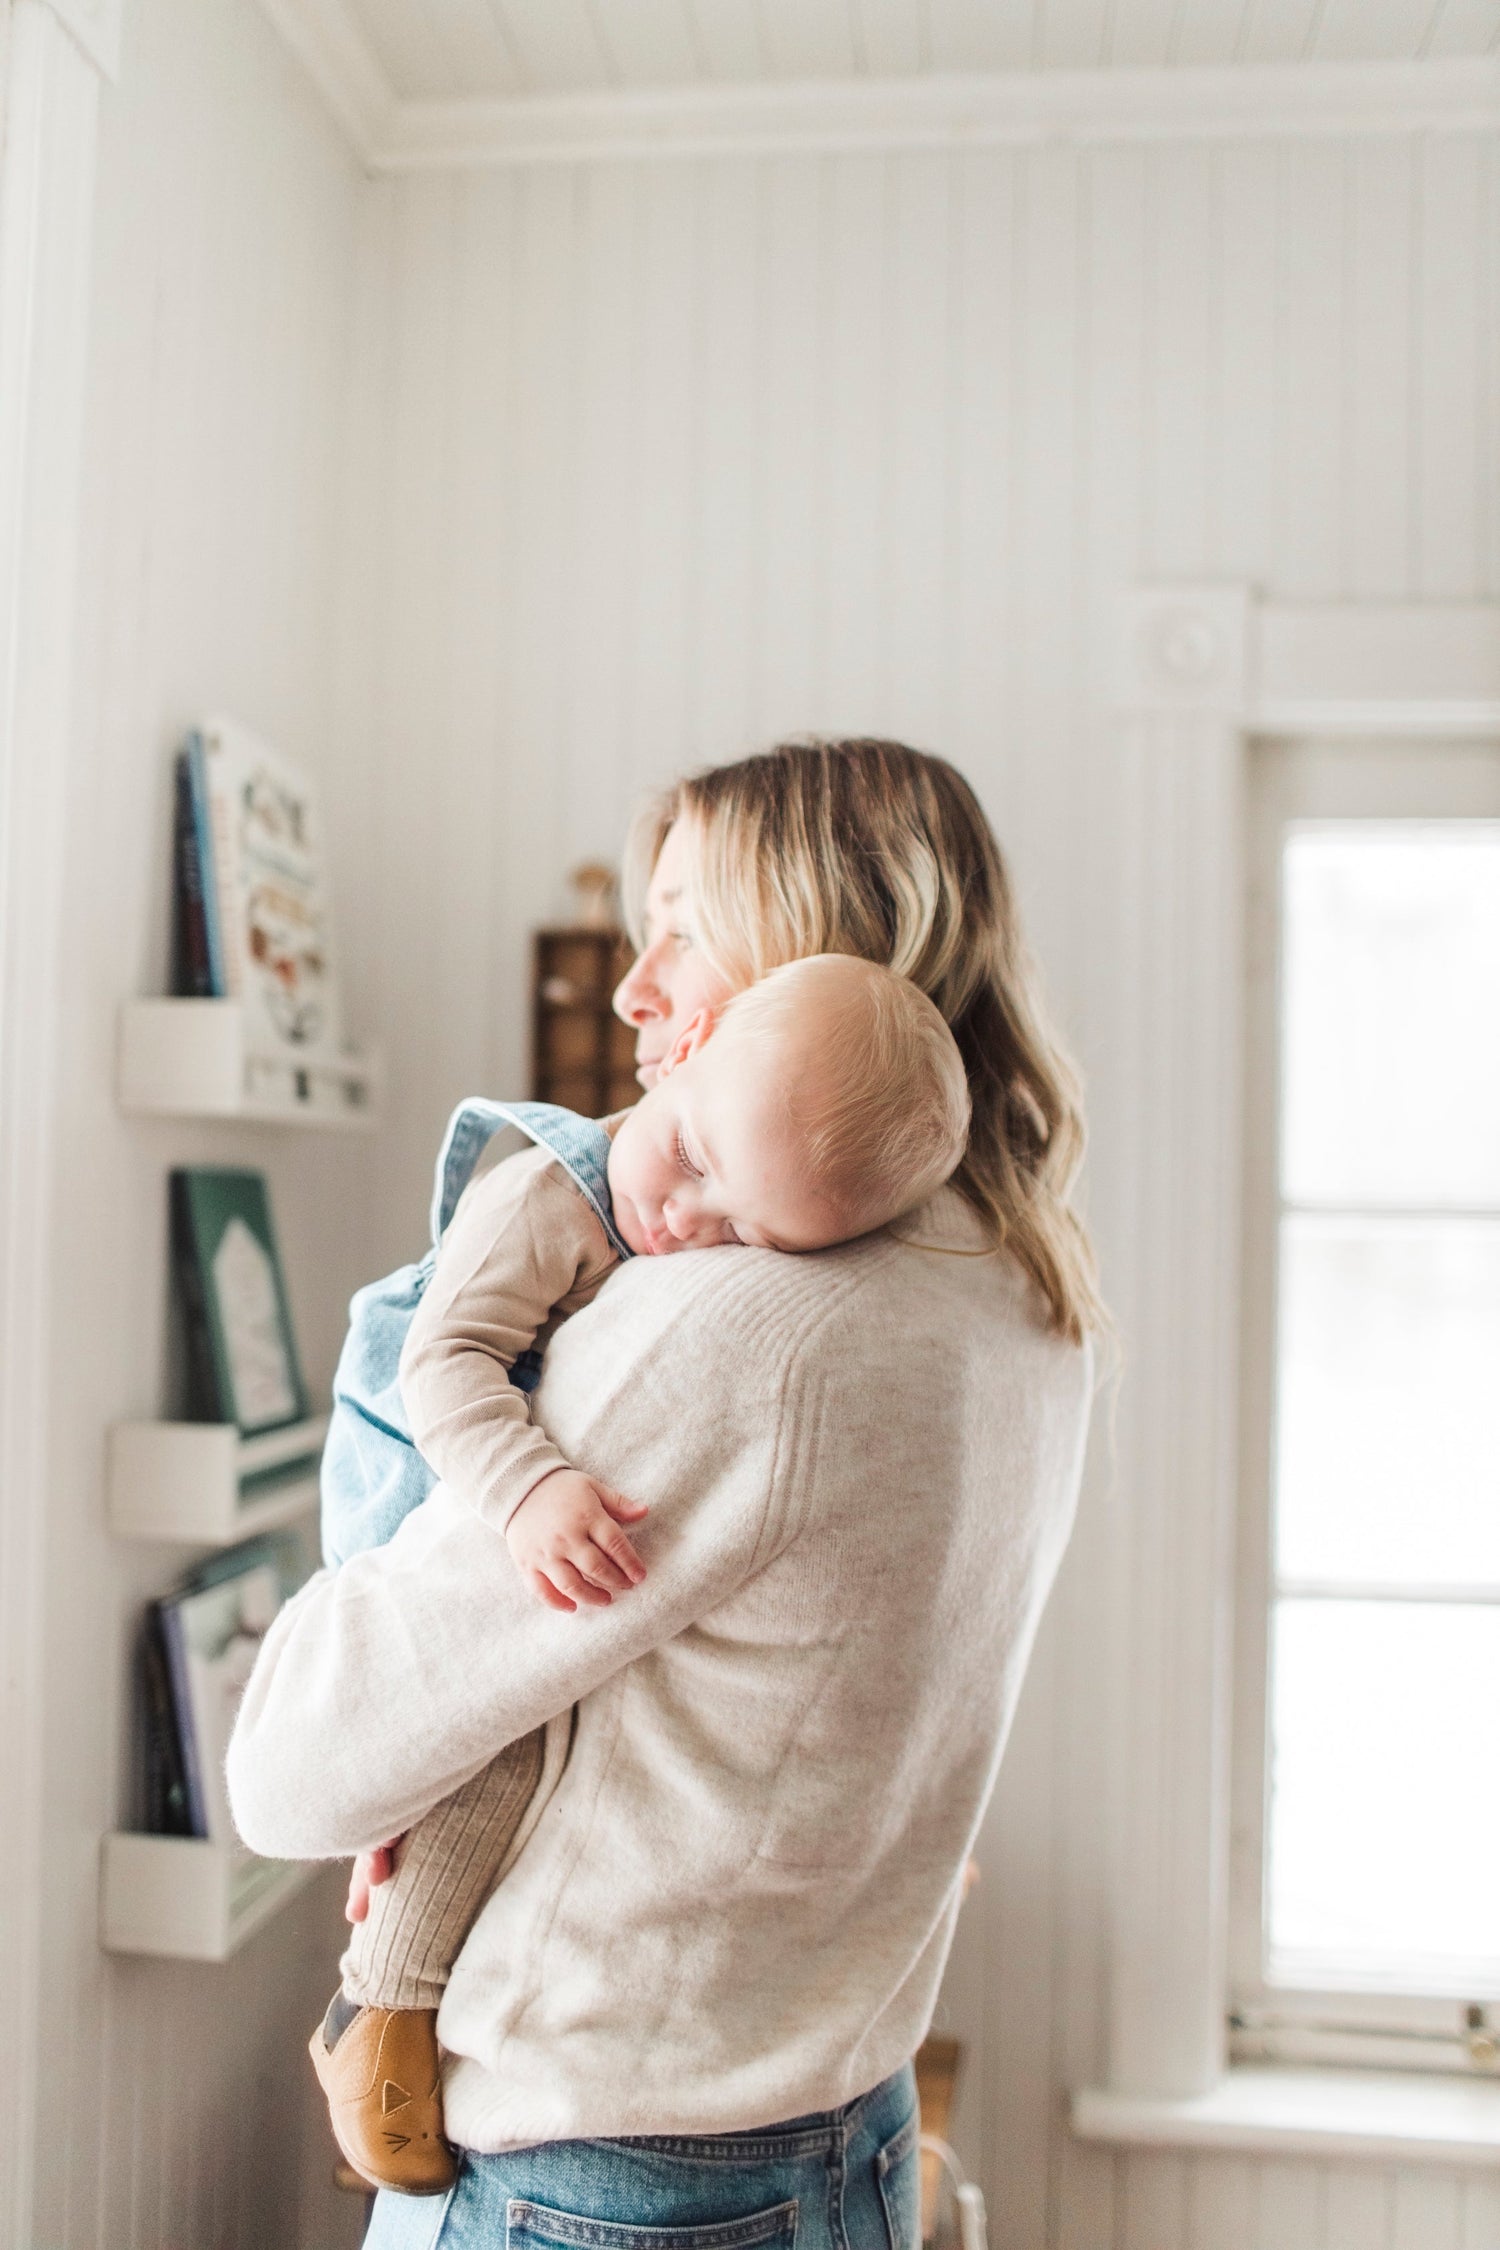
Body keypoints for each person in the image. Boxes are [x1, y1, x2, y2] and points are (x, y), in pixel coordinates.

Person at [227, 739, 1102, 2250]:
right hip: (840, 2128)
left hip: (605, 2173)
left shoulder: (744, 1329)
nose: (635, 989)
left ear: (822, 954)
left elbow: (293, 1771)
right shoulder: (1018, 1278)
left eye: (685, 924)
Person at [309, 953, 971, 2194]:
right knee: (468, 1748)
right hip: (423, 1468)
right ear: (687, 1045)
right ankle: (375, 2001)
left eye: (740, 1233)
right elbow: (443, 1365)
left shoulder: (719, 1192)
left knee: (513, 1746)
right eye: (691, 1161)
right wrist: (529, 1490)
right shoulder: (544, 1200)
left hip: (516, 1490)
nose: (681, 1225)